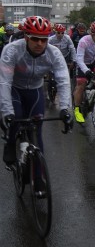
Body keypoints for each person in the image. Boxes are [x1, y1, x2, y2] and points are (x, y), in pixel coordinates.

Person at [0, 16, 73, 176]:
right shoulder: (11, 50)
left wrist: (65, 109)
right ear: (26, 37)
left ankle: (39, 175)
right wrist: (6, 112)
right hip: (15, 88)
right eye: (34, 38)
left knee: (37, 128)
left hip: (35, 90)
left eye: (43, 39)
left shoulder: (54, 53)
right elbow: (4, 82)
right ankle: (11, 143)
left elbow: (63, 80)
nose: (39, 43)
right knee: (16, 117)